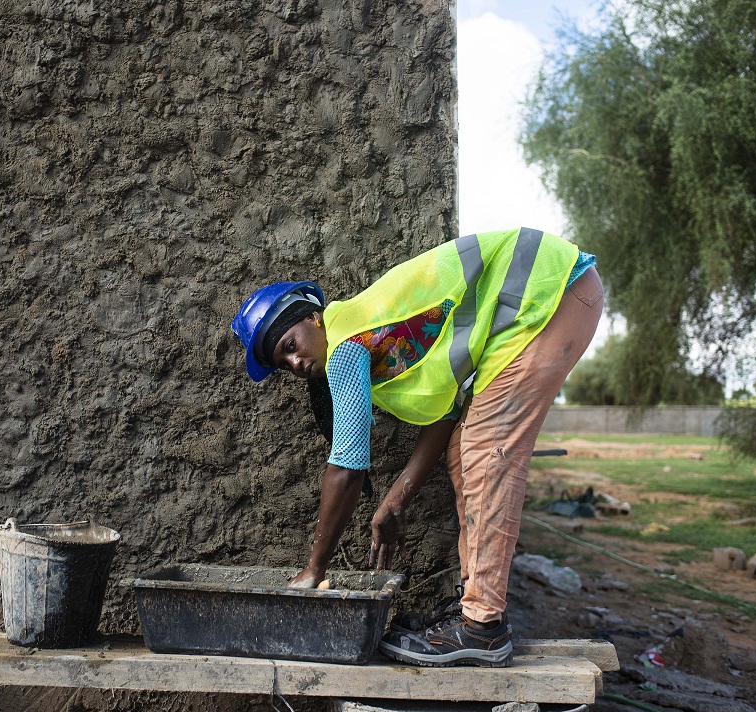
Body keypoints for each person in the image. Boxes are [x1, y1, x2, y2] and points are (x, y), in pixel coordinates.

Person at [231, 227, 603, 667]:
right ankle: (474, 608)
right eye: (283, 363)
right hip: (549, 296)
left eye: (290, 345)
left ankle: (481, 628)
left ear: (313, 319)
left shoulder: (347, 346)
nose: (294, 362)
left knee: (487, 451)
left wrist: (315, 570)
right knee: (466, 453)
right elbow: (446, 416)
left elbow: (347, 468)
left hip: (550, 293)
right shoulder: (370, 338)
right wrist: (398, 498)